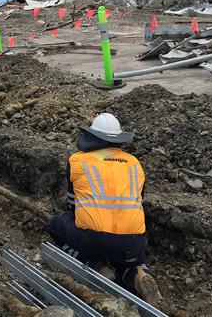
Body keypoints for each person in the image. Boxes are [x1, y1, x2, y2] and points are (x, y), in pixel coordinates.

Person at [45, 113, 164, 309]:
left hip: (92, 239)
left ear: (93, 137)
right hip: (133, 241)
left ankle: (96, 266)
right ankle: (138, 273)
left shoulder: (77, 160)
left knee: (55, 225)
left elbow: (73, 204)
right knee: (128, 254)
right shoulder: (134, 162)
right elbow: (138, 200)